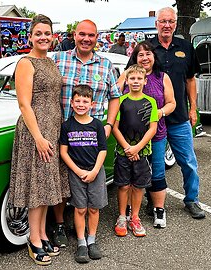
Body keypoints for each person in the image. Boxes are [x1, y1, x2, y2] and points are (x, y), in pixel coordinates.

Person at [52, 19, 121, 248]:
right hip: (63, 129)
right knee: (62, 180)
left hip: (93, 131)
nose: (86, 39)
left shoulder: (105, 64)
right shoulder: (59, 60)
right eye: (82, 34)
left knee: (92, 176)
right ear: (74, 35)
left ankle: (87, 233)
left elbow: (114, 96)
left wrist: (109, 124)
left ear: (96, 37)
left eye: (91, 35)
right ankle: (60, 224)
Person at [8, 14, 70, 266]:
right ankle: (34, 240)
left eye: (47, 33)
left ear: (52, 36)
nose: (43, 37)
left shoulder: (52, 62)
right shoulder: (25, 63)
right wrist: (38, 138)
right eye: (38, 33)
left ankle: (43, 234)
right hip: (36, 131)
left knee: (46, 186)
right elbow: (24, 104)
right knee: (37, 186)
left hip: (52, 129)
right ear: (31, 37)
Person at [148, 7, 205, 219]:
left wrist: (193, 108)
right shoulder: (147, 48)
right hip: (153, 119)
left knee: (188, 162)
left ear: (175, 23)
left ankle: (192, 199)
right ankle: (152, 202)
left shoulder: (186, 47)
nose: (167, 25)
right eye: (163, 21)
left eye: (170, 21)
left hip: (179, 116)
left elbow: (191, 80)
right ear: (156, 24)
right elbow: (132, 75)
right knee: (154, 164)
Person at [117, 40, 176, 228]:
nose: (145, 57)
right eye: (140, 54)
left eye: (148, 53)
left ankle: (158, 209)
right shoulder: (127, 74)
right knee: (129, 176)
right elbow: (114, 96)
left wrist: (159, 112)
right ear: (135, 57)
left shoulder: (162, 77)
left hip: (155, 134)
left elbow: (172, 103)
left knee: (156, 172)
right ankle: (126, 213)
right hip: (127, 137)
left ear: (153, 56)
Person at [59, 85, 107, 263]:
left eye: (85, 101)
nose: (81, 104)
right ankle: (81, 243)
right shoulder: (67, 126)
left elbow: (103, 150)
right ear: (71, 103)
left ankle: (92, 240)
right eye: (77, 101)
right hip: (76, 172)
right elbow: (63, 152)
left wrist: (94, 171)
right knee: (80, 208)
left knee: (94, 208)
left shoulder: (97, 125)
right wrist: (78, 171)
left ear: (92, 104)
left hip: (96, 171)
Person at [112, 64, 158, 237]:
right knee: (123, 185)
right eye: (132, 78)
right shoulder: (121, 101)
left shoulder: (150, 102)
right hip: (124, 151)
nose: (136, 81)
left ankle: (135, 217)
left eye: (139, 78)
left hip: (142, 152)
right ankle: (122, 216)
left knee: (138, 187)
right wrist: (127, 148)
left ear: (145, 81)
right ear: (127, 81)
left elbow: (152, 128)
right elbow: (115, 127)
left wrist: (137, 148)